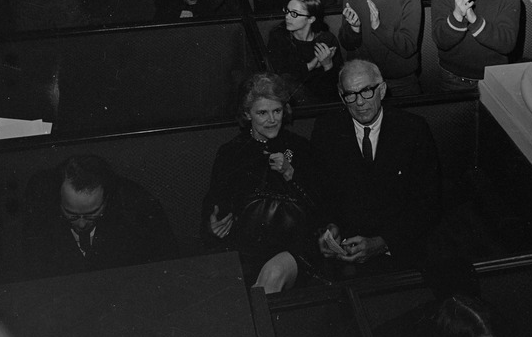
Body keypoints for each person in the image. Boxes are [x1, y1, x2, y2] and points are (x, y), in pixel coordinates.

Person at [311, 59, 441, 278]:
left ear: (382, 90)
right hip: (346, 254)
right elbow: (320, 190)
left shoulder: (413, 129)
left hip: (400, 250)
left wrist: (383, 243)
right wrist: (328, 227)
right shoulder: (326, 130)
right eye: (350, 94)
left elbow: (430, 201)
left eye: (367, 91)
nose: (359, 102)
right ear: (341, 96)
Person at [200, 72, 320, 293]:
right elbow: (215, 206)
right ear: (247, 114)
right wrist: (213, 226)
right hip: (246, 250)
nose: (272, 119)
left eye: (277, 111)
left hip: (293, 251)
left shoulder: (301, 148)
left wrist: (290, 174)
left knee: (272, 274)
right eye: (262, 113)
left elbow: (319, 209)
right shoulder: (231, 152)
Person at [23, 154, 178, 281]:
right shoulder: (38, 215)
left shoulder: (139, 212)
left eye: (91, 214)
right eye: (72, 215)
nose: (82, 224)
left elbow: (165, 272)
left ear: (107, 199)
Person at [339, 0, 422, 96]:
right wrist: (354, 29)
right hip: (362, 82)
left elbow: (408, 47)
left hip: (399, 81)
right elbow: (346, 44)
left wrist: (378, 27)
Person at [265, 0, 344, 104]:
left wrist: (327, 65)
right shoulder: (279, 38)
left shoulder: (326, 40)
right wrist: (310, 65)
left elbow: (337, 84)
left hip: (323, 103)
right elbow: (279, 77)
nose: (287, 17)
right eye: (287, 11)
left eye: (294, 14)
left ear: (311, 19)